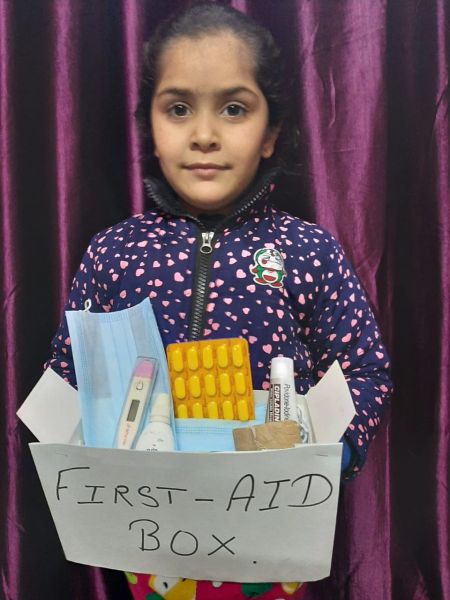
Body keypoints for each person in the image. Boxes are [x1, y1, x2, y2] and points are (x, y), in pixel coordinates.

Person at [45, 4, 392, 599]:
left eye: (234, 108)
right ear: (151, 128)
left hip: (271, 540)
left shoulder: (307, 250)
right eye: (178, 108)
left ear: (271, 133)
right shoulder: (113, 252)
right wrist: (75, 454)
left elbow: (364, 369)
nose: (204, 134)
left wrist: (328, 459)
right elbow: (67, 374)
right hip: (146, 543)